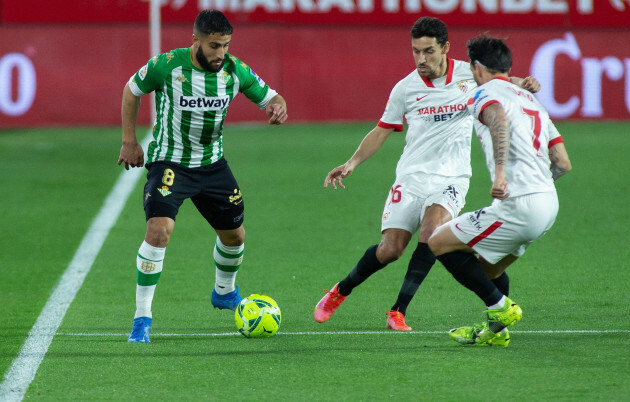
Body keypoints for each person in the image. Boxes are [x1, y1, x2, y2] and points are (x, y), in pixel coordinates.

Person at [313, 17, 539, 331]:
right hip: (412, 176)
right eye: (416, 51)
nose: (422, 59)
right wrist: (352, 163)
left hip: (452, 178)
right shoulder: (405, 88)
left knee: (433, 233)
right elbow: (382, 130)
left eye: (429, 51)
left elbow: (499, 81)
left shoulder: (467, 75)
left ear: (445, 48)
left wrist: (522, 83)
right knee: (390, 250)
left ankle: (397, 311)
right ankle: (341, 290)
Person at [118, 10, 288, 343]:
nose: (220, 54)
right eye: (213, 46)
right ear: (195, 40)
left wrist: (278, 106)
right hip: (170, 162)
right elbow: (131, 90)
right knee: (159, 230)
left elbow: (271, 96)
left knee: (235, 237)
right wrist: (129, 140)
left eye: (225, 45)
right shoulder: (167, 66)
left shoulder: (234, 70)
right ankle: (142, 319)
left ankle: (224, 293)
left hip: (212, 165)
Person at [427, 34, 571, 346]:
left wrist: (501, 175)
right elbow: (562, 162)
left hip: (519, 205)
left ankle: (500, 308)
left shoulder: (486, 93)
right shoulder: (532, 102)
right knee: (488, 269)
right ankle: (496, 333)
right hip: (548, 204)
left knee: (437, 241)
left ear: (477, 68)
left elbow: (498, 119)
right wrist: (536, 185)